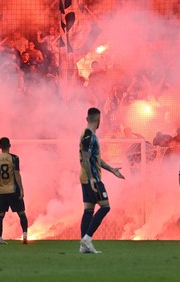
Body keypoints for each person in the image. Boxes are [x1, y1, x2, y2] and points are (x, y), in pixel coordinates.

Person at [79, 107, 125, 254]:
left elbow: (95, 159)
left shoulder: (90, 135)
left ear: (87, 118)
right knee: (105, 207)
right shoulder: (88, 135)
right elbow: (86, 157)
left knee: (88, 210)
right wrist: (92, 178)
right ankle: (87, 239)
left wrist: (112, 170)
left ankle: (83, 245)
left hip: (87, 177)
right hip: (92, 178)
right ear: (99, 120)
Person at [0, 137, 28, 244]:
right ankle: (25, 235)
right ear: (10, 145)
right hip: (13, 190)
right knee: (21, 213)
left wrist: (0, 184)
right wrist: (21, 189)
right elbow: (17, 174)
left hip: (2, 191)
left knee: (0, 215)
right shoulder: (14, 158)